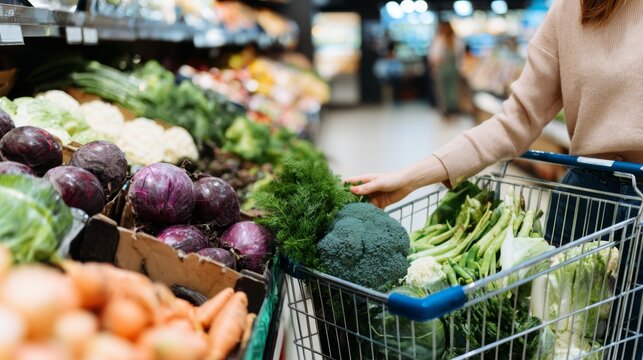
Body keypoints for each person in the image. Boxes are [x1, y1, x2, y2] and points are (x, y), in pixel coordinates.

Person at [347, 0, 643, 357]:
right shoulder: (573, 10)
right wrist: (412, 176)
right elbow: (516, 119)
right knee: (560, 345)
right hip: (588, 205)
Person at [428, 21, 463, 118]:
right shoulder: (439, 40)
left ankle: (453, 109)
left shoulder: (456, 40)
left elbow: (460, 56)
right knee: (443, 91)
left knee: (453, 90)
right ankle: (445, 110)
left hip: (452, 69)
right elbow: (433, 56)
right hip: (442, 69)